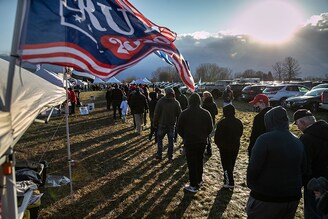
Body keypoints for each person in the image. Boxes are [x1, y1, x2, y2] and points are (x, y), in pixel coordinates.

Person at [246, 106, 305, 219]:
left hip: (266, 198)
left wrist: (253, 187)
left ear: (269, 122)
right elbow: (304, 170)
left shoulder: (264, 140)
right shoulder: (297, 141)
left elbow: (253, 168)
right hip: (291, 198)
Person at [293, 109, 328, 219]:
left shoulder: (306, 139)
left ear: (302, 123)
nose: (298, 127)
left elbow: (305, 164)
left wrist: (303, 183)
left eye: (297, 124)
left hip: (313, 183)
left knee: (312, 213)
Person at [177, 93, 213, 193]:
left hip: (190, 142)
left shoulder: (184, 113)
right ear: (199, 101)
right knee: (199, 160)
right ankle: (199, 180)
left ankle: (193, 185)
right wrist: (204, 136)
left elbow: (179, 128)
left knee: (192, 163)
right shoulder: (206, 113)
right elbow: (210, 128)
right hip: (201, 141)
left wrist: (185, 137)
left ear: (190, 101)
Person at [214, 104, 243, 189]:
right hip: (235, 145)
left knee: (226, 164)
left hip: (224, 147)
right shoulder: (238, 122)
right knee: (232, 163)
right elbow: (240, 133)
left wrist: (219, 144)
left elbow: (217, 136)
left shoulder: (222, 123)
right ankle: (228, 178)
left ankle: (230, 181)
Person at [153, 88, 181, 161]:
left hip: (162, 124)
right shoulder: (176, 102)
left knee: (159, 140)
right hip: (171, 125)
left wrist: (154, 123)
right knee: (170, 141)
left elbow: (156, 113)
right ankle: (170, 156)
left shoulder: (161, 101)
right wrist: (178, 124)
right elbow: (179, 114)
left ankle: (159, 154)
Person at [247, 94, 272, 158]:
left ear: (262, 103)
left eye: (255, 104)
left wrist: (250, 150)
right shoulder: (275, 114)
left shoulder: (259, 117)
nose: (254, 106)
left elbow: (255, 136)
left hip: (260, 149)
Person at [202, 91, 218, 156]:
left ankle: (208, 151)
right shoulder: (214, 104)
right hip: (212, 122)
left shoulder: (204, 105)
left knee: (205, 137)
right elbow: (216, 112)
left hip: (205, 122)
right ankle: (209, 150)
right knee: (209, 136)